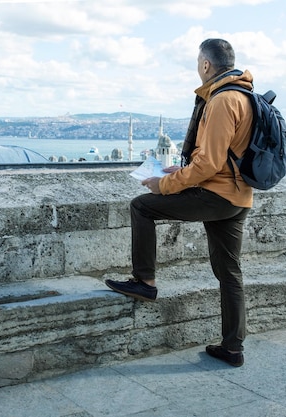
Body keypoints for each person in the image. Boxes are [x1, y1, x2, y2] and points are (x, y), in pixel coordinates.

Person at [105, 38, 254, 367]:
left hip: (216, 195)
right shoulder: (245, 95)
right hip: (238, 195)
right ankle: (233, 347)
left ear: (205, 65)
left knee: (142, 206)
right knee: (230, 272)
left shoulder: (221, 100)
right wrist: (184, 169)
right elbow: (222, 156)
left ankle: (145, 281)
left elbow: (210, 165)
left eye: (197, 64)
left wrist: (165, 184)